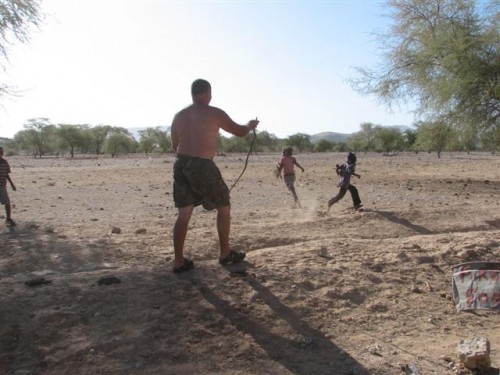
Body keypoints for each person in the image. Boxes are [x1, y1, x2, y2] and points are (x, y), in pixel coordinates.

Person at [170, 79, 259, 273]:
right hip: (202, 164)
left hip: (181, 164)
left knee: (184, 213)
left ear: (192, 94)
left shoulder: (179, 116)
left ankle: (178, 261)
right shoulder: (214, 112)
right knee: (224, 206)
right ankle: (225, 253)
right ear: (208, 93)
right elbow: (240, 132)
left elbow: (174, 146)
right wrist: (249, 125)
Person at [0, 146, 17, 226]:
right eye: (0, 151)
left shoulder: (4, 162)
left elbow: (7, 174)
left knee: (7, 202)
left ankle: (8, 219)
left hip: (2, 186)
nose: (1, 153)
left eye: (2, 151)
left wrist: (12, 184)